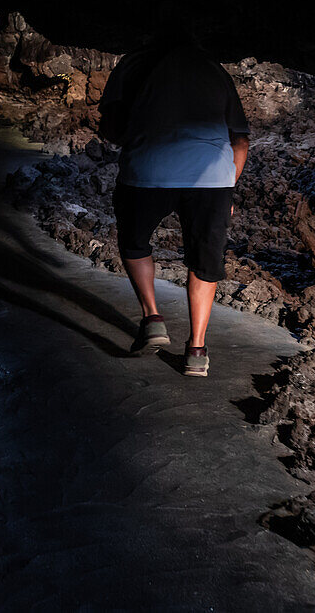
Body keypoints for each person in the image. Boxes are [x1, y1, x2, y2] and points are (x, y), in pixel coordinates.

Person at [99, 30, 250, 377]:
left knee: (134, 243)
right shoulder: (216, 70)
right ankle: (196, 351)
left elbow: (112, 128)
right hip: (211, 176)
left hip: (148, 169)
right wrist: (226, 189)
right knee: (204, 261)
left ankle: (153, 319)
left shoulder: (132, 63)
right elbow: (240, 140)